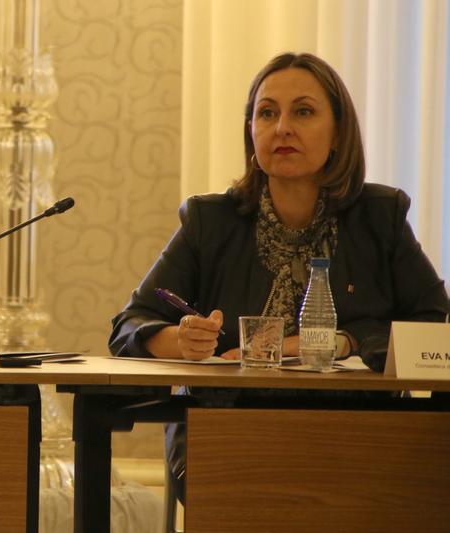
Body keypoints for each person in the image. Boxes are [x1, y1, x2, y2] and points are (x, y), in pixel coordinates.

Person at [109, 52, 449, 502]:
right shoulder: (210, 221)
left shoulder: (380, 217)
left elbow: (432, 324)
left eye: (303, 112)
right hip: (227, 431)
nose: (282, 127)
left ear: (338, 133)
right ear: (251, 132)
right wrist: (180, 340)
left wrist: (340, 341)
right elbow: (129, 326)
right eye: (266, 113)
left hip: (359, 431)